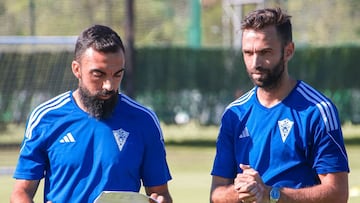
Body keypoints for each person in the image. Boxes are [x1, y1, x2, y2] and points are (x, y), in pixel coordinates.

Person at [11, 25, 173, 203]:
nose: (109, 85)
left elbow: (160, 192)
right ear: (76, 69)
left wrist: (160, 200)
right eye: (99, 74)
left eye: (117, 74)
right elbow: (21, 193)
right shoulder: (45, 118)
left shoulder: (144, 120)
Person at [210, 7, 349, 203]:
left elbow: (338, 193)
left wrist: (271, 194)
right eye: (248, 53)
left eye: (265, 52)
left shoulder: (317, 111)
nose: (255, 63)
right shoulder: (234, 114)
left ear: (288, 51)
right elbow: (216, 195)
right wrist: (243, 191)